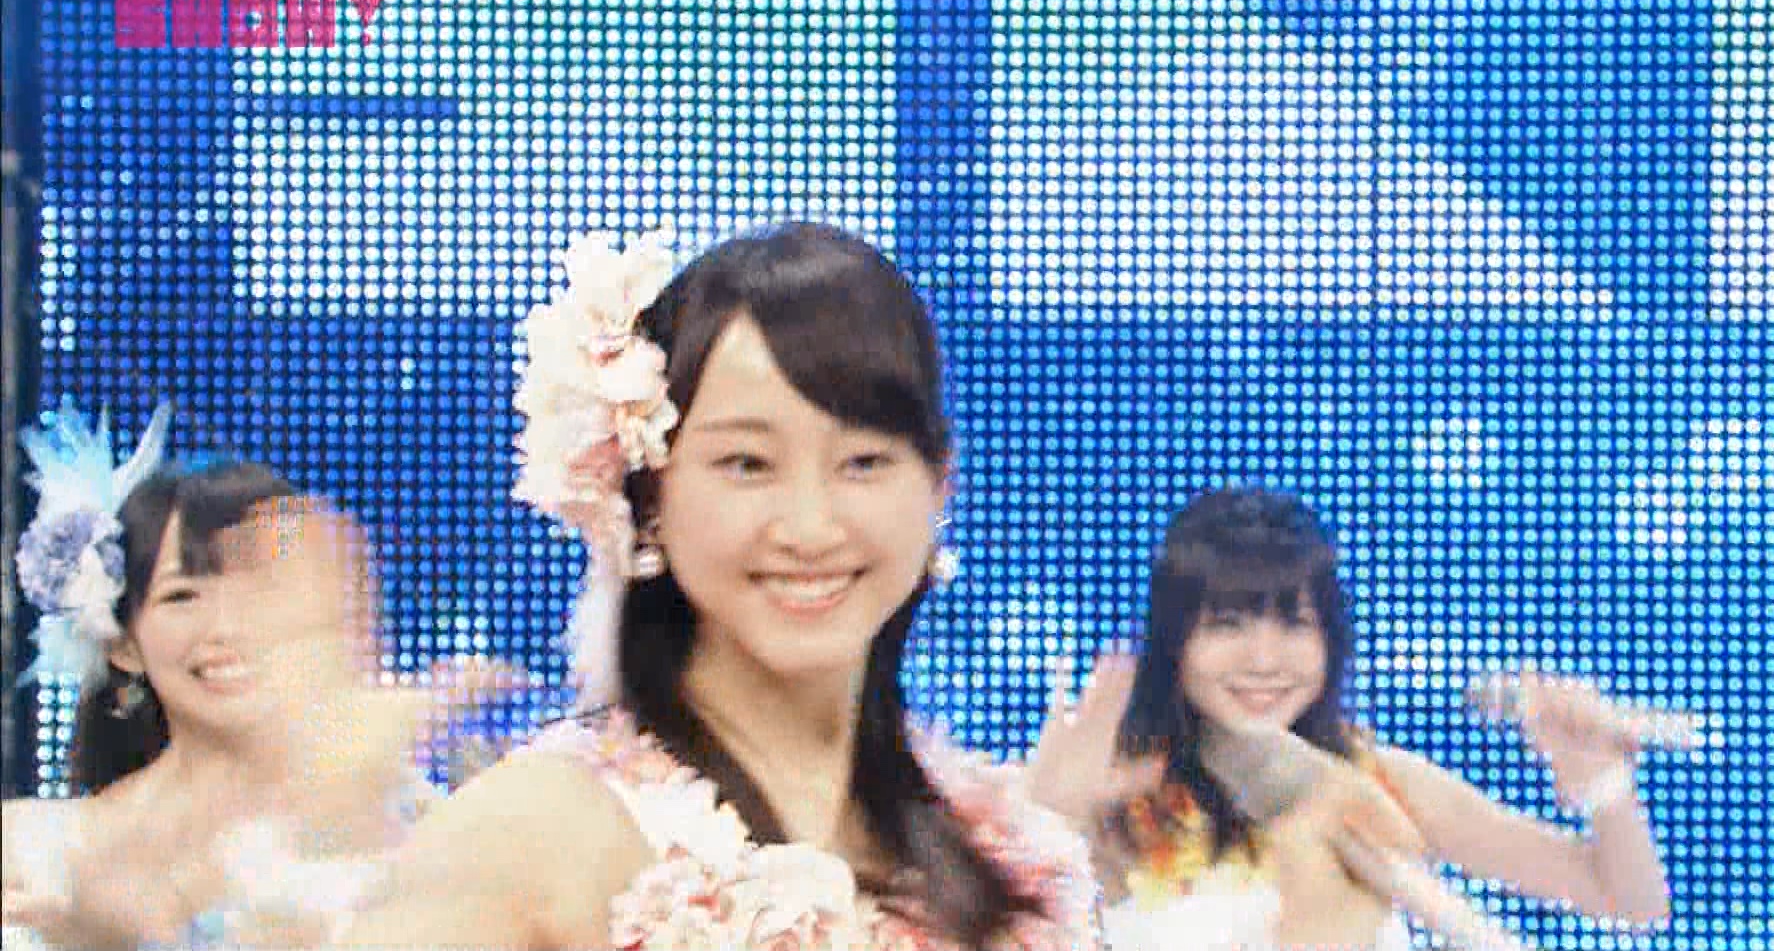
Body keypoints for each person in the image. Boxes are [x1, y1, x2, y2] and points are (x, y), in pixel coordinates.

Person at [262, 224, 1104, 950]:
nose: (810, 526)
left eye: (863, 462)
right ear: (648, 493)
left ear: (939, 487)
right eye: (747, 463)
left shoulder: (1010, 856)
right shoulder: (534, 831)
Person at [1, 409, 513, 950]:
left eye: (260, 585)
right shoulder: (36, 850)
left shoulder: (412, 825)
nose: (230, 625)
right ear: (123, 644)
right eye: (183, 595)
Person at [1098, 488, 1672, 948]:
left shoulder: (1380, 784)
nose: (1264, 661)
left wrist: (1603, 784)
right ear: (1173, 642)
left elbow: (1630, 903)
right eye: (1227, 625)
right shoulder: (1110, 796)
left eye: (1295, 625)